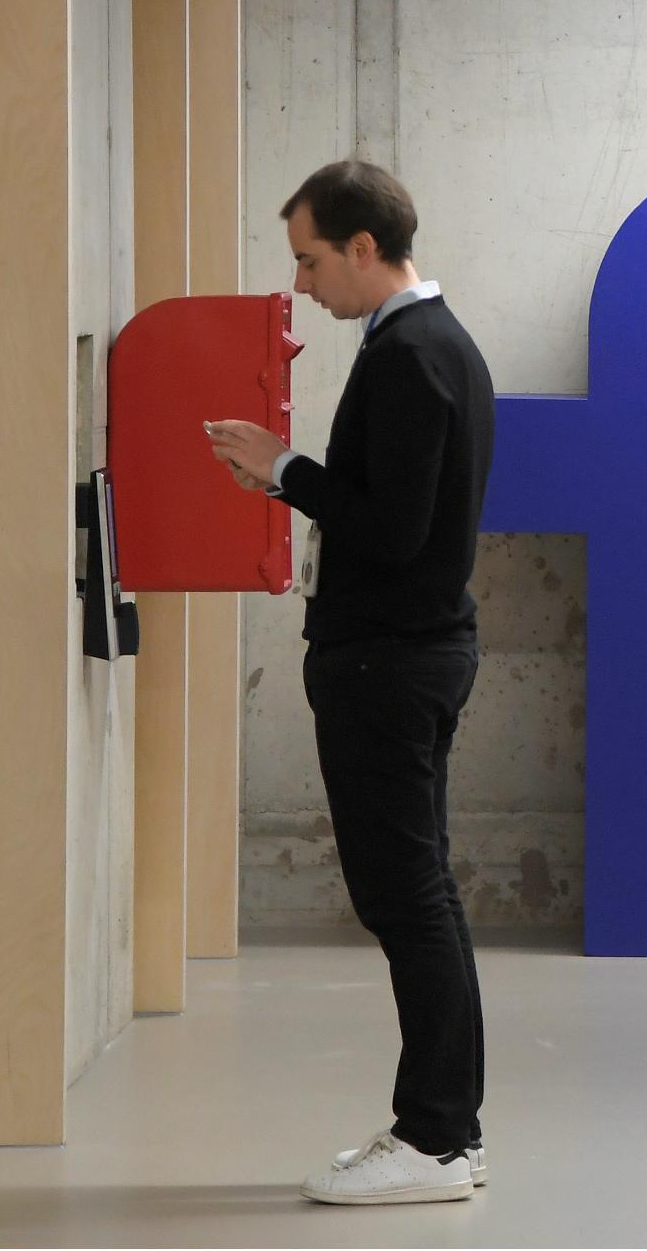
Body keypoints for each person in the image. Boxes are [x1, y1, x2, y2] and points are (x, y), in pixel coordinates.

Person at [207, 159, 496, 1206]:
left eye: (310, 260)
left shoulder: (412, 355)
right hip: (408, 653)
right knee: (418, 895)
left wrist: (282, 469)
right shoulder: (431, 343)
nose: (301, 283)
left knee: (406, 898)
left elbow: (393, 528)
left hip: (390, 661)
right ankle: (445, 1134)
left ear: (363, 248)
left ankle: (435, 1140)